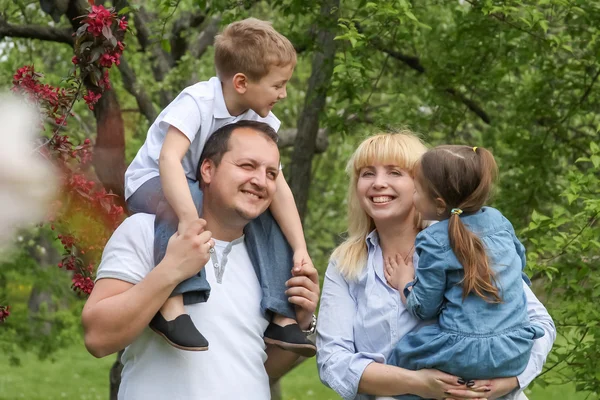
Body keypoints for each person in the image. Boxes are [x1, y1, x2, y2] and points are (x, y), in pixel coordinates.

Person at [82, 121, 320, 399]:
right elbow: (97, 338)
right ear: (207, 169)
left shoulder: (272, 262)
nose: (260, 181)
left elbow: (258, 367)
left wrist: (303, 320)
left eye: (271, 174)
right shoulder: (146, 231)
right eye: (247, 166)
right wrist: (171, 270)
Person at [123, 18, 315, 354]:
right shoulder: (198, 101)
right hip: (152, 182)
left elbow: (279, 187)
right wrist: (187, 218)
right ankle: (172, 305)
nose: (283, 94)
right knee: (188, 197)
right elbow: (169, 160)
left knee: (261, 207)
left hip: (200, 187)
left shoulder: (259, 118)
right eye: (278, 85)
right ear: (242, 82)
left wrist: (300, 248)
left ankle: (281, 317)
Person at [316, 132, 556, 400]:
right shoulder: (345, 264)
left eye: (395, 172)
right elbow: (332, 361)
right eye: (367, 173)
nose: (379, 183)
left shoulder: (466, 242)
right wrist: (416, 382)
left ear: (427, 187)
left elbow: (540, 323)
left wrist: (510, 381)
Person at [383, 145, 544, 400]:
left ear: (438, 204)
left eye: (416, 191)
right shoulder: (499, 221)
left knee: (398, 361)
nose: (413, 196)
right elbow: (519, 261)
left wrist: (404, 281)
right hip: (513, 352)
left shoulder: (433, 240)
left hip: (461, 353)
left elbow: (424, 308)